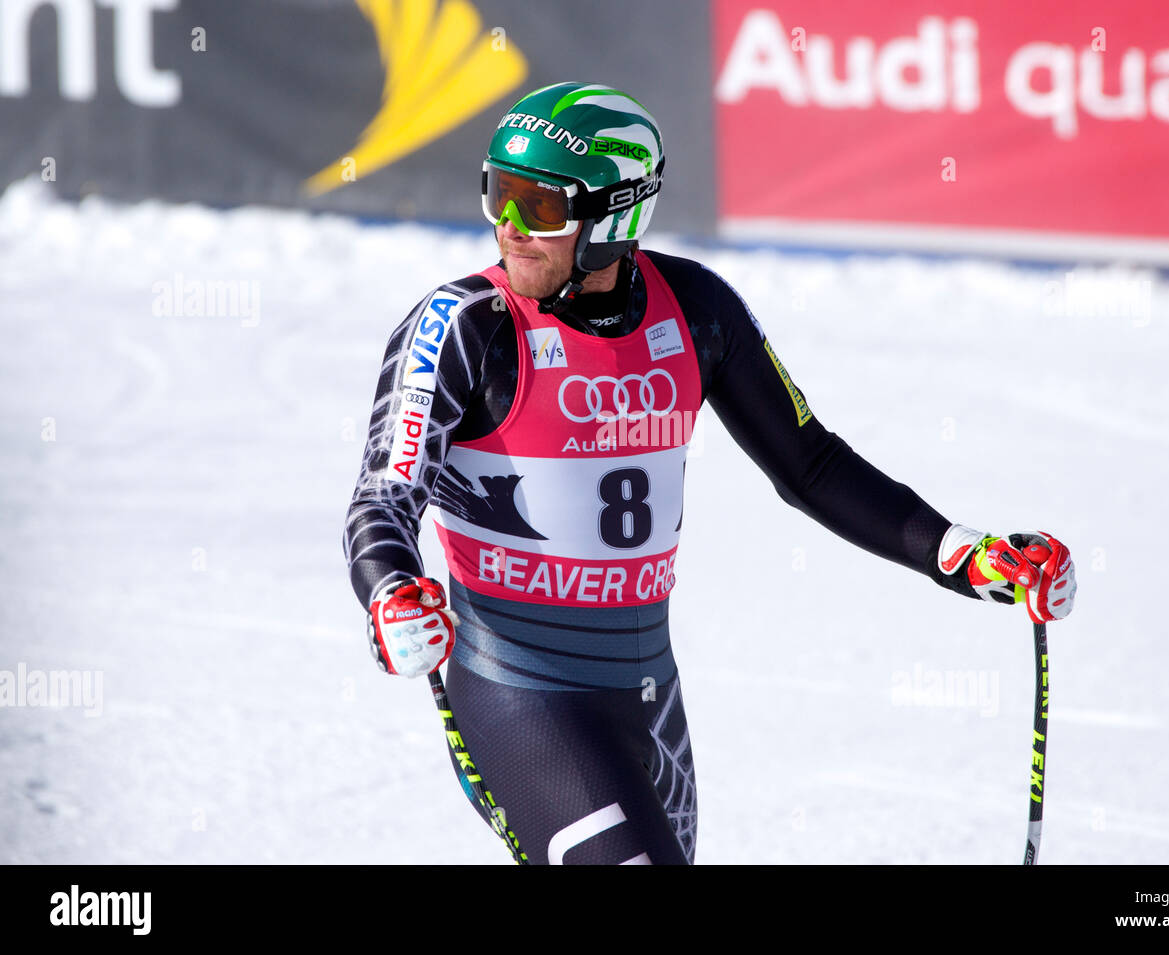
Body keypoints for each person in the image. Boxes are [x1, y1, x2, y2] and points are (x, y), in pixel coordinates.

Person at [343, 81, 1077, 865]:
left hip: (650, 697)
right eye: (499, 195)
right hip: (520, 689)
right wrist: (392, 591)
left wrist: (959, 552)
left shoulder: (694, 308)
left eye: (541, 207)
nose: (510, 228)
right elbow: (383, 496)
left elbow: (811, 462)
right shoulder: (463, 327)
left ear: (615, 214)